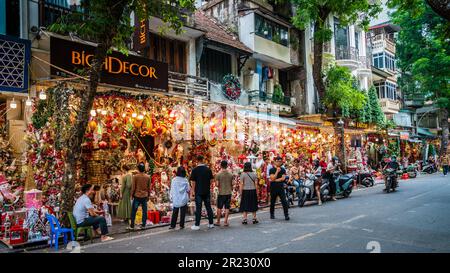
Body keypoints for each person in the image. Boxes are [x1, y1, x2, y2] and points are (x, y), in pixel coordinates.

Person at [189, 155, 215, 230]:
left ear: (197, 160)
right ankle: (211, 223)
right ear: (203, 160)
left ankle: (197, 225)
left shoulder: (194, 170)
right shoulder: (208, 169)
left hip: (198, 192)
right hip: (206, 191)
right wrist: (207, 185)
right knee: (208, 207)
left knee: (199, 208)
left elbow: (193, 182)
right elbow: (211, 181)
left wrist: (193, 191)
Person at [129, 162, 151, 230]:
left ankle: (132, 225)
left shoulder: (135, 176)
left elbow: (133, 187)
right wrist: (148, 196)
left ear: (138, 169)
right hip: (144, 196)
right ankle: (143, 225)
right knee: (144, 211)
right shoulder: (148, 177)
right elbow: (148, 188)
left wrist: (131, 195)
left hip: (137, 196)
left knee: (134, 211)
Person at [269, 156, 289, 220]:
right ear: (274, 162)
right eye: (277, 161)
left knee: (284, 201)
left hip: (281, 187)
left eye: (280, 161)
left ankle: (286, 215)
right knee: (272, 202)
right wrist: (277, 172)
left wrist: (275, 180)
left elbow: (283, 178)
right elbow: (272, 178)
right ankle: (272, 214)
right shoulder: (271, 169)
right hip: (273, 187)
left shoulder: (283, 169)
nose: (279, 162)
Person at [215, 160, 234, 227]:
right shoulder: (231, 174)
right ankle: (225, 222)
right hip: (228, 193)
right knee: (227, 208)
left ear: (221, 165)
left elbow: (217, 184)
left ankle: (218, 221)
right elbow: (232, 184)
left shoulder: (218, 174)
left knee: (219, 207)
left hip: (221, 193)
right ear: (227, 166)